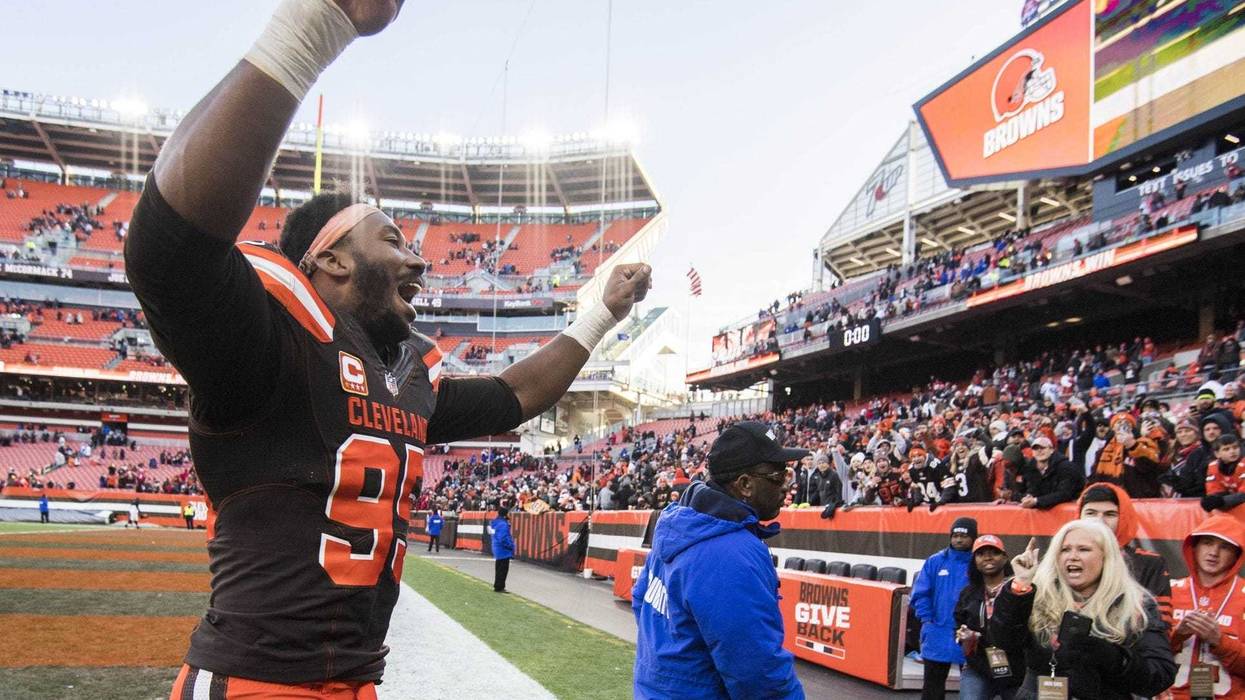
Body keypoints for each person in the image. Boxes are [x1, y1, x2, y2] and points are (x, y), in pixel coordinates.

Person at [127, 2, 651, 694]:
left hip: (355, 680)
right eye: (393, 241)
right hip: (256, 682)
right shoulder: (269, 344)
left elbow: (516, 395)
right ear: (332, 261)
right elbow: (169, 247)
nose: (418, 261)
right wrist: (319, 22)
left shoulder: (405, 378)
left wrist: (598, 316)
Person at [632, 420, 805, 699]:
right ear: (745, 484)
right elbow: (759, 675)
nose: (785, 487)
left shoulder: (680, 521)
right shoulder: (732, 554)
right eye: (777, 477)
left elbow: (641, 599)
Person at [989, 520, 1176, 699]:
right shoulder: (1032, 593)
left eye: (1084, 549)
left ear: (1106, 557)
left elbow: (1159, 675)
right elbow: (1003, 640)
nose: (1073, 556)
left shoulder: (1137, 604)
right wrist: (1020, 586)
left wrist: (1114, 658)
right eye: (1065, 550)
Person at [1169, 514, 1245, 699]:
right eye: (1208, 543)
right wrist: (1176, 635)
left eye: (1225, 546)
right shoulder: (1169, 590)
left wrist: (1220, 641)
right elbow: (1145, 658)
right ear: (1193, 547)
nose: (1214, 552)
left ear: (1237, 554)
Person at [1076, 483, 1172, 624]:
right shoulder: (1064, 560)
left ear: (1124, 518)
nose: (1099, 521)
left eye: (1110, 514)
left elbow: (1160, 625)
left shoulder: (1150, 564)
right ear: (1079, 516)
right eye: (1091, 513)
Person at [912, 517, 976, 700]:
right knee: (933, 684)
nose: (958, 540)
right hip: (937, 630)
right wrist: (927, 619)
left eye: (964, 536)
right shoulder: (935, 561)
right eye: (955, 535)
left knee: (974, 686)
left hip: (968, 633)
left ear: (973, 538)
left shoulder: (977, 563)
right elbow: (921, 593)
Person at [954, 535, 1022, 700]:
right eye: (981, 554)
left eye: (994, 552)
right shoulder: (968, 593)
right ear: (975, 561)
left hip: (1016, 667)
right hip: (978, 666)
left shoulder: (1020, 590)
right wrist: (965, 637)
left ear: (1005, 558)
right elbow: (957, 626)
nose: (988, 557)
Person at [1018, 436, 1082, 509]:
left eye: (1043, 448)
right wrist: (1028, 496)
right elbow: (1030, 489)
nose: (1039, 451)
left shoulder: (1066, 467)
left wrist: (1036, 501)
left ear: (1051, 450)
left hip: (1069, 509)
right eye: (1035, 448)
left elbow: (1065, 493)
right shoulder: (1030, 468)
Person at [491, 507, 514, 592]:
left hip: (497, 547)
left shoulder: (496, 523)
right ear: (505, 515)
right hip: (503, 550)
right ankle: (499, 586)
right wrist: (510, 546)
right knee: (503, 569)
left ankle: (498, 585)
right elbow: (503, 538)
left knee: (499, 568)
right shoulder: (503, 524)